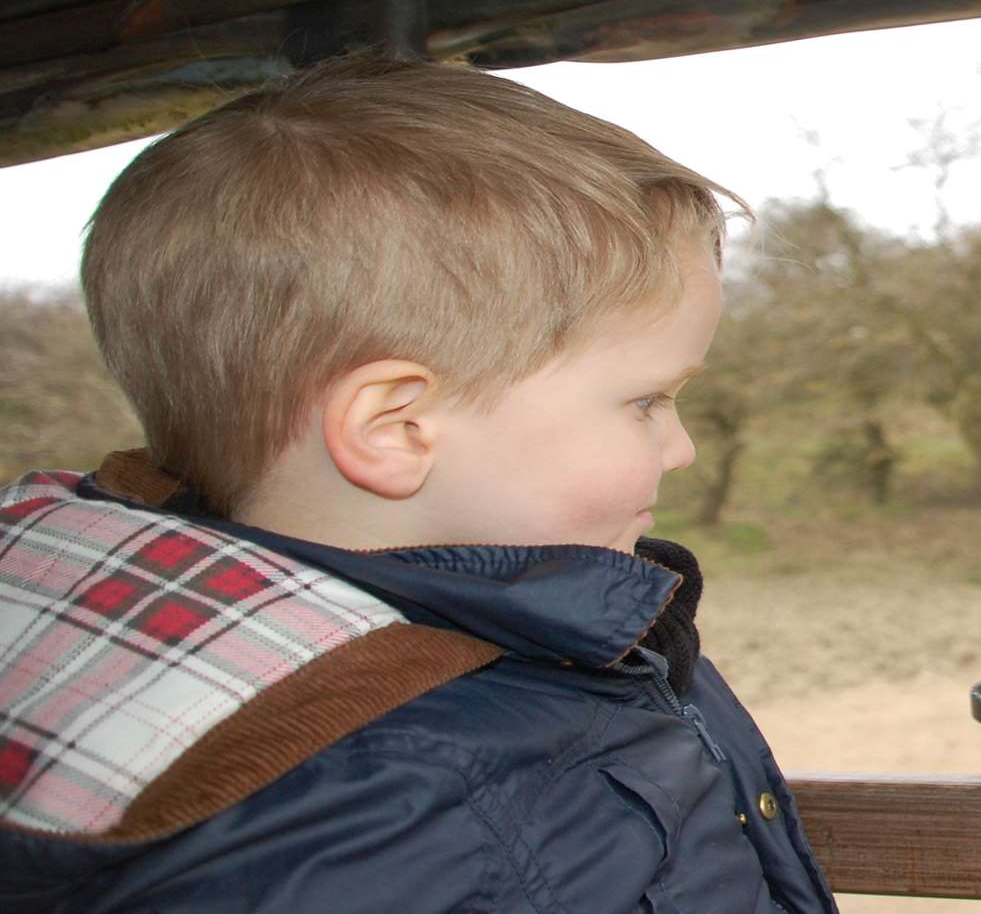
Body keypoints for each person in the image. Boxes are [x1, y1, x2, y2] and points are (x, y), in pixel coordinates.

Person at [0, 55, 837, 913]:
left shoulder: (520, 628)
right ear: (397, 429)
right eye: (647, 401)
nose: (683, 447)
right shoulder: (397, 806)